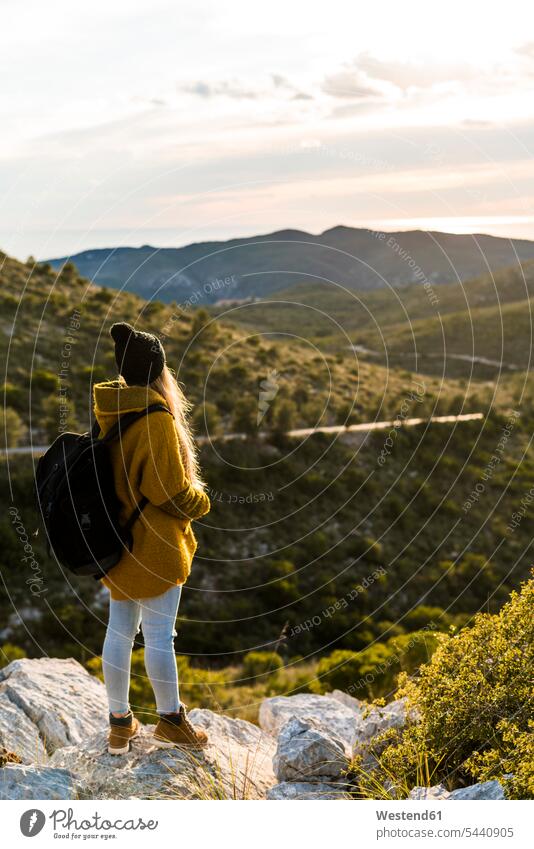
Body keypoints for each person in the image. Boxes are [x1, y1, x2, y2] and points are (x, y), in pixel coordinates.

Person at [92, 322, 210, 755]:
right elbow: (170, 493)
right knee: (161, 636)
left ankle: (120, 724)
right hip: (155, 545)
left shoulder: (112, 409)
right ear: (159, 369)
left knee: (119, 632)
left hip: (118, 542)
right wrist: (201, 503)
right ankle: (172, 722)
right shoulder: (156, 418)